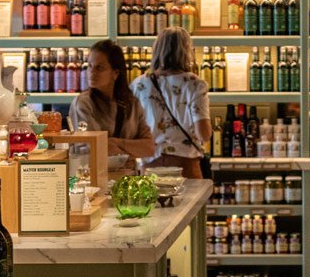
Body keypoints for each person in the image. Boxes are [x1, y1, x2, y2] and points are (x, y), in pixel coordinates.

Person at [130, 27, 210, 178]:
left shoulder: (140, 84)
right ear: (186, 51)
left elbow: (131, 131)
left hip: (150, 167)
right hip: (186, 166)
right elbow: (203, 133)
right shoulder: (195, 84)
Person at [73, 40, 156, 162]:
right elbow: (96, 146)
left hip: (127, 178)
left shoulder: (132, 103)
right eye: (89, 66)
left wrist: (113, 142)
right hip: (95, 176)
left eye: (99, 68)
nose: (92, 72)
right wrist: (130, 148)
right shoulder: (83, 103)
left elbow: (149, 148)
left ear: (115, 73)